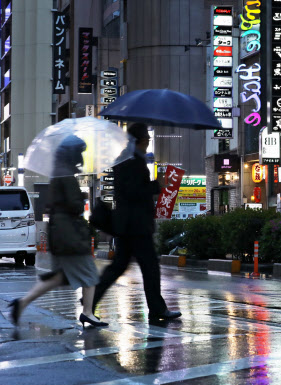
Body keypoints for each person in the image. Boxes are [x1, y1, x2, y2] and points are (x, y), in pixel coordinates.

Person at [8, 135, 108, 328]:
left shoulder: (57, 173)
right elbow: (74, 205)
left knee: (57, 278)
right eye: (80, 152)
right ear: (73, 154)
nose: (81, 156)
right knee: (89, 273)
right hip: (70, 233)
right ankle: (87, 312)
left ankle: (22, 303)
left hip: (60, 233)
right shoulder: (66, 175)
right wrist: (83, 197)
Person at [92, 123, 181, 321]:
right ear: (139, 141)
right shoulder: (133, 161)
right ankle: (157, 309)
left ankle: (90, 301)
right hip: (136, 225)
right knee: (150, 267)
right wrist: (156, 185)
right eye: (147, 140)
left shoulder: (126, 158)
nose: (148, 144)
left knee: (119, 267)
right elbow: (133, 192)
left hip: (127, 225)